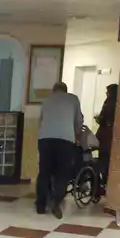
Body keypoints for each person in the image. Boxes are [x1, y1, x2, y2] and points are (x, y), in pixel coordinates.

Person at [36, 82, 83, 219]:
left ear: (54, 90)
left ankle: (40, 205)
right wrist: (78, 137)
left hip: (45, 139)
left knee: (44, 172)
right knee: (62, 173)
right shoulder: (73, 99)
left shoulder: (46, 99)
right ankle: (56, 202)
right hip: (65, 140)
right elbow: (78, 122)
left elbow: (41, 120)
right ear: (65, 90)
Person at [94, 83, 117, 185]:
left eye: (107, 91)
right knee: (109, 160)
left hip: (105, 136)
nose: (106, 93)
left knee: (103, 159)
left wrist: (98, 119)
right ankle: (106, 181)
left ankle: (101, 182)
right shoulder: (119, 103)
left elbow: (102, 118)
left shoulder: (108, 103)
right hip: (112, 137)